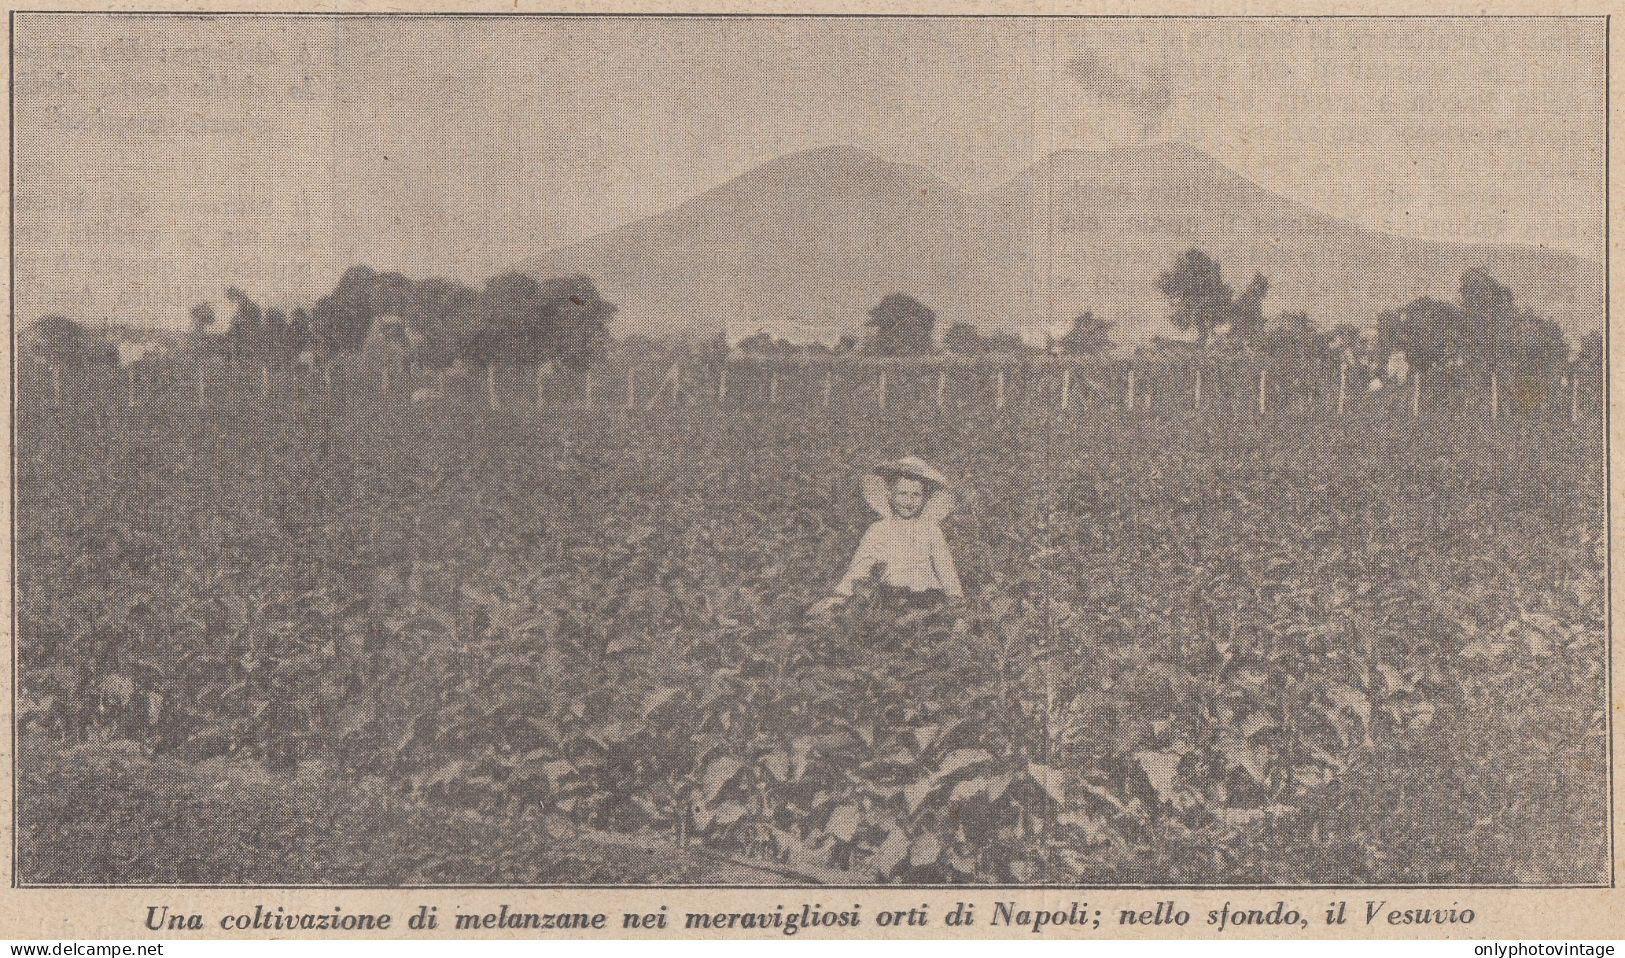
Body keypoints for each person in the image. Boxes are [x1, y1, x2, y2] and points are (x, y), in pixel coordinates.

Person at [810, 456, 963, 616]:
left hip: (927, 598)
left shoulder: (931, 530)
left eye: (916, 495)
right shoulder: (879, 529)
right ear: (890, 494)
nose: (909, 501)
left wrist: (956, 602)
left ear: (925, 498)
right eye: (903, 494)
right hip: (891, 598)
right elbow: (861, 566)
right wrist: (838, 597)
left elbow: (946, 568)